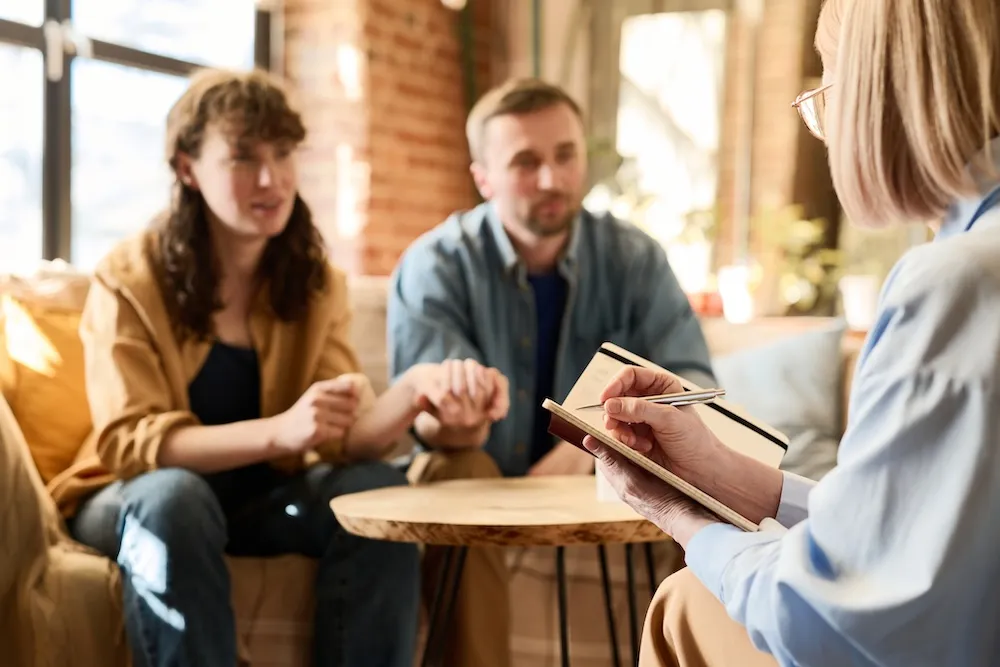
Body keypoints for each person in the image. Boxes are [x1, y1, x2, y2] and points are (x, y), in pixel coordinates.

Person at [583, 0, 1000, 665]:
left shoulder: (958, 283)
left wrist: (679, 517)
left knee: (686, 601)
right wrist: (720, 473)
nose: (827, 134)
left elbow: (822, 619)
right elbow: (899, 531)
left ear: (877, 94)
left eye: (824, 97)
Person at [49, 68, 508, 667]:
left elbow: (345, 439)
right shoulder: (129, 278)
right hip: (136, 499)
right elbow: (130, 442)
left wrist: (417, 389)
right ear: (187, 167)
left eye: (283, 153)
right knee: (177, 497)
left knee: (376, 492)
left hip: (264, 500)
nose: (271, 178)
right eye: (243, 157)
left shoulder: (315, 283)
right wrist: (279, 432)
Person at [387, 77, 715, 667]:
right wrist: (456, 421)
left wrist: (594, 443)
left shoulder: (634, 258)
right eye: (525, 162)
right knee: (455, 468)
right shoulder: (435, 264)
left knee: (696, 474)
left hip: (605, 467)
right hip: (479, 465)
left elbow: (688, 384)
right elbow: (423, 419)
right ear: (483, 177)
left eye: (565, 155)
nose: (551, 179)